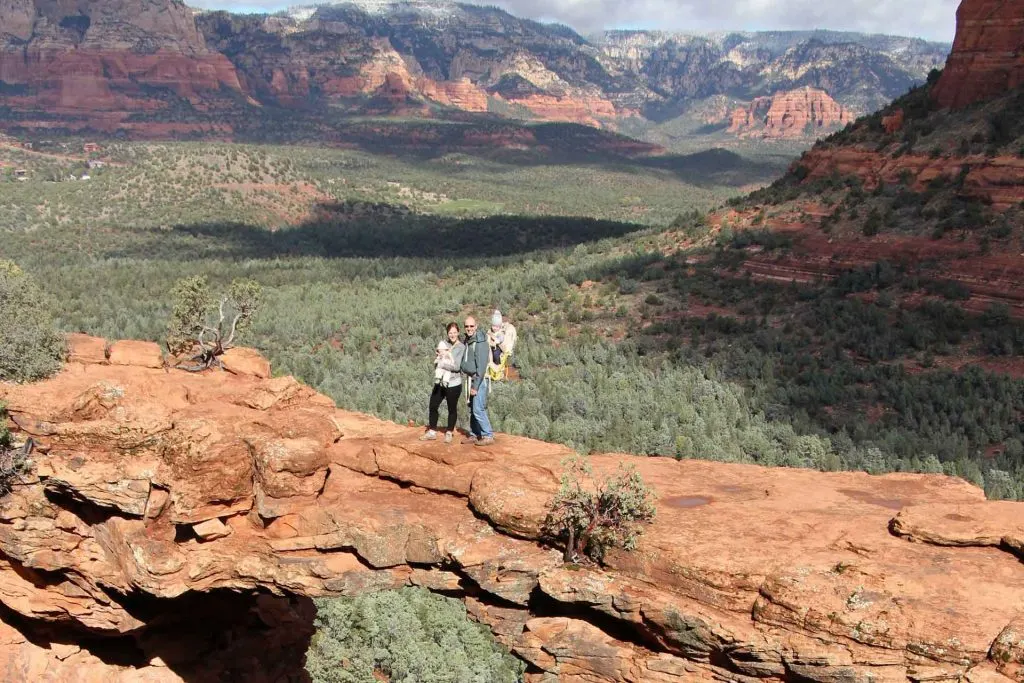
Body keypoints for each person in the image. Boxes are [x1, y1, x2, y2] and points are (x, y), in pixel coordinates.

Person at [420, 322, 465, 443]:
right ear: (447, 333)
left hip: (454, 383)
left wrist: (442, 363)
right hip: (440, 383)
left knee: (452, 408)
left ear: (458, 333)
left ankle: (449, 431)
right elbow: (437, 361)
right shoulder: (443, 344)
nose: (452, 335)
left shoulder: (461, 347)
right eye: (450, 333)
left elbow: (457, 367)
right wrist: (438, 361)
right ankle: (432, 431)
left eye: (455, 332)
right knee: (433, 405)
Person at [459, 315, 494, 446]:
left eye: (471, 326)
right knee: (472, 408)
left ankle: (488, 435)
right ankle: (475, 434)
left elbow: (482, 366)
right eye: (467, 326)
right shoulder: (469, 340)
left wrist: (475, 386)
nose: (469, 328)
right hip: (471, 380)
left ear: (476, 326)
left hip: (478, 380)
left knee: (478, 409)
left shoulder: (480, 342)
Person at [486, 309, 517, 381]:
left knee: (496, 354)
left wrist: (496, 341)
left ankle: (497, 365)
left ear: (499, 327)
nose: (495, 328)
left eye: (497, 327)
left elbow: (500, 339)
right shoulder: (490, 331)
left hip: (498, 349)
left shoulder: (500, 333)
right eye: (493, 326)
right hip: (492, 348)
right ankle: (491, 367)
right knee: (491, 355)